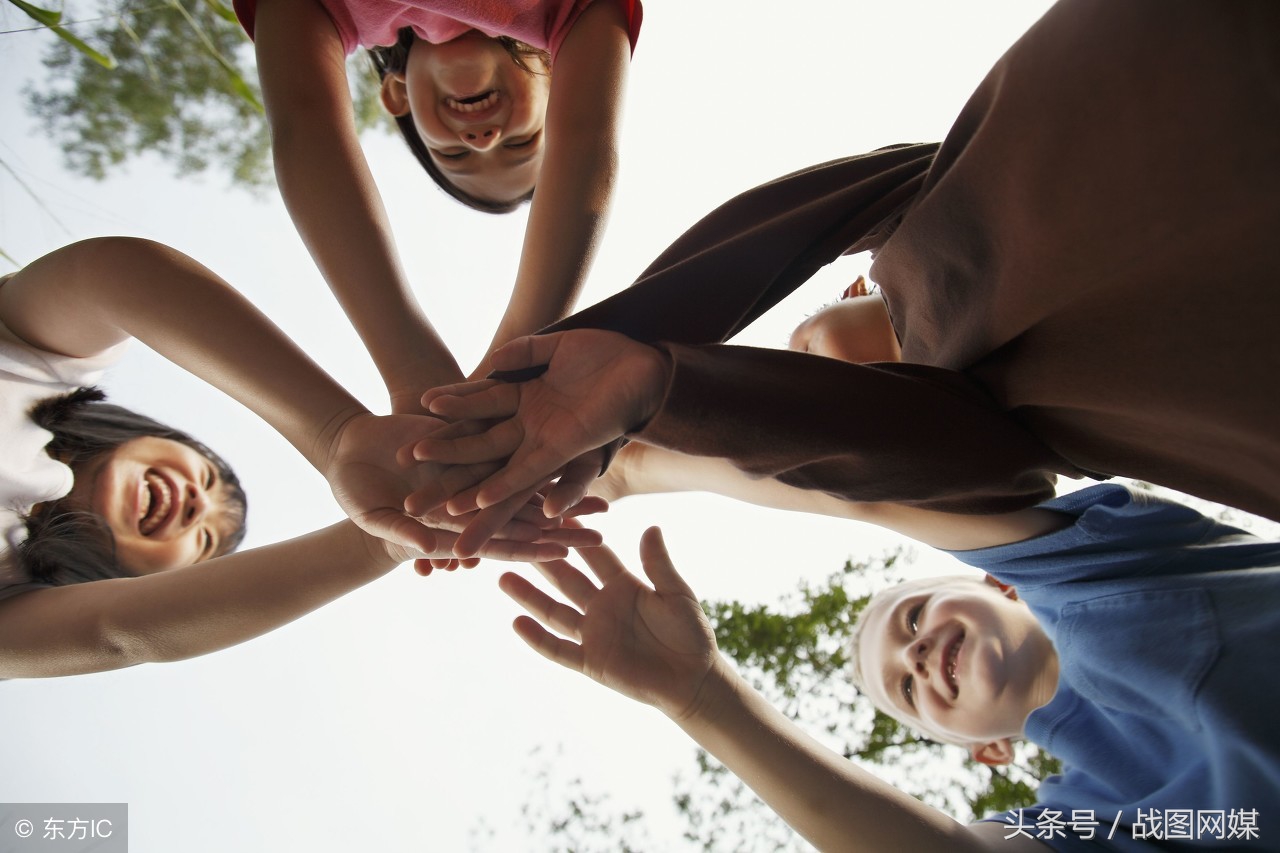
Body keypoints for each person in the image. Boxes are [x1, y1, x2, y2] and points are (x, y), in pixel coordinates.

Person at [405, 0, 1280, 552]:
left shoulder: (932, 207)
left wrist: (635, 337)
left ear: (857, 283)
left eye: (798, 348)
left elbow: (798, 223)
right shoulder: (993, 441)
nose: (800, 368)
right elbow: (861, 446)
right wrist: (658, 386)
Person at [502, 482, 1280, 851]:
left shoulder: (1097, 571)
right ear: (988, 751)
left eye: (913, 618)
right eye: (906, 689)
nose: (914, 654)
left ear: (999, 583)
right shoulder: (1097, 816)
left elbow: (876, 495)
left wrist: (638, 462)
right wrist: (705, 698)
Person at [0, 238, 594, 679]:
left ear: (140, 583)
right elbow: (110, 276)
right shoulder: (31, 371)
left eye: (203, 543)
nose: (198, 504)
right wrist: (332, 432)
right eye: (205, 474)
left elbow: (123, 633)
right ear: (140, 433)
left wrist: (380, 542)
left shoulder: (12, 608)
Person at [234, 0, 642, 404]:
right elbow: (586, 139)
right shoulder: (568, 13)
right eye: (522, 142)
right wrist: (517, 357)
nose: (482, 141)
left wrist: (412, 369)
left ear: (397, 95)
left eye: (453, 154)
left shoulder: (329, 11)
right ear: (559, 78)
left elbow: (305, 125)